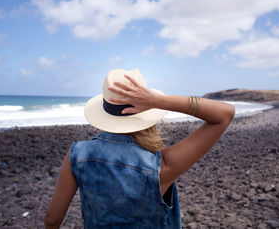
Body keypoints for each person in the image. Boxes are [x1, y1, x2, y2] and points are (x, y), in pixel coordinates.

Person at [44, 68, 235, 228]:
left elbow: (52, 220)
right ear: (147, 111)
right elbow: (224, 114)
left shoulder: (77, 154)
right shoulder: (162, 166)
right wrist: (160, 101)